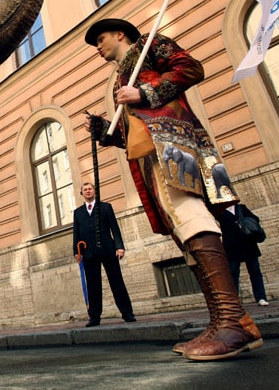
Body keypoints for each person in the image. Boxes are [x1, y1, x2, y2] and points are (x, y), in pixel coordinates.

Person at [84, 19, 262, 361]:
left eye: (101, 38)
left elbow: (191, 68)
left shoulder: (150, 45)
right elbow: (134, 133)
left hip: (175, 146)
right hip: (153, 154)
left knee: (190, 215)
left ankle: (233, 321)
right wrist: (107, 130)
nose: (98, 46)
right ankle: (220, 321)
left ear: (120, 34)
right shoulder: (123, 73)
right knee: (182, 230)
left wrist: (145, 93)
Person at [73, 182, 135, 326]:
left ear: (94, 191)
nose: (88, 191)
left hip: (108, 249)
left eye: (90, 189)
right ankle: (94, 317)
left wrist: (119, 246)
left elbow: (115, 228)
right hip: (88, 253)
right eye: (85, 190)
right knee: (93, 286)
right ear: (81, 193)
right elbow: (76, 233)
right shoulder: (78, 212)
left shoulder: (106, 207)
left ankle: (127, 313)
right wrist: (76, 251)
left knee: (117, 281)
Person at [218, 204, 269, 306]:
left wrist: (243, 222)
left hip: (248, 244)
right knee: (233, 274)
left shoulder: (241, 208)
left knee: (255, 272)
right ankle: (234, 299)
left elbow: (254, 218)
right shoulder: (220, 212)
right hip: (232, 247)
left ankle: (261, 297)